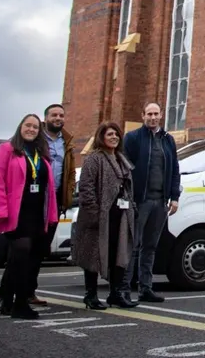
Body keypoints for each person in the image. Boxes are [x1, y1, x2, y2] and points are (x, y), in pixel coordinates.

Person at [0, 113, 58, 320]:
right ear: (21, 127)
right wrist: (2, 211)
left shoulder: (40, 152)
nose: (31, 129)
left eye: (35, 127)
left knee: (19, 258)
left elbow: (49, 188)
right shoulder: (7, 149)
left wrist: (52, 214)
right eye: (28, 125)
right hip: (16, 212)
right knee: (21, 253)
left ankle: (5, 300)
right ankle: (20, 304)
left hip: (37, 213)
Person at [121, 102, 181, 304]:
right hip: (140, 201)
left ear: (161, 115)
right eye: (149, 114)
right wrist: (129, 198)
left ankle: (146, 288)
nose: (153, 117)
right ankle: (124, 289)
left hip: (160, 201)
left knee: (150, 247)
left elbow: (174, 170)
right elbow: (124, 169)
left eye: (156, 114)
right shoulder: (133, 138)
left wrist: (175, 197)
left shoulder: (168, 140)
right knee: (133, 246)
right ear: (142, 115)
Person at [75, 121, 136, 310]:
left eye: (116, 134)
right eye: (110, 134)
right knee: (94, 255)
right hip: (100, 216)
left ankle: (115, 294)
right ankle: (90, 295)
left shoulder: (120, 158)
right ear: (101, 137)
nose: (114, 137)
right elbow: (86, 187)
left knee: (119, 253)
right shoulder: (94, 159)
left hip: (120, 214)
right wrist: (93, 213)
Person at [30, 103, 75, 306]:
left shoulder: (67, 141)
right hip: (35, 198)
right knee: (25, 248)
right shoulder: (36, 138)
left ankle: (29, 291)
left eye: (61, 115)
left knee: (41, 248)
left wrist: (67, 194)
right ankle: (10, 291)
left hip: (55, 201)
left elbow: (70, 172)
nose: (58, 118)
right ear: (46, 118)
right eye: (54, 115)